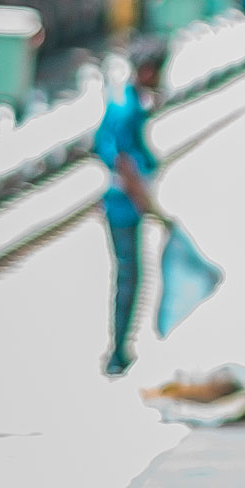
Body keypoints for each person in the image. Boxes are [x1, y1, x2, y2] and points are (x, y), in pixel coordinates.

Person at [93, 46, 167, 375]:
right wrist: (143, 199)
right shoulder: (126, 108)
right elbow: (120, 158)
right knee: (128, 276)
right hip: (123, 207)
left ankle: (121, 347)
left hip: (125, 205)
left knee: (130, 275)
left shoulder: (130, 102)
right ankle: (117, 351)